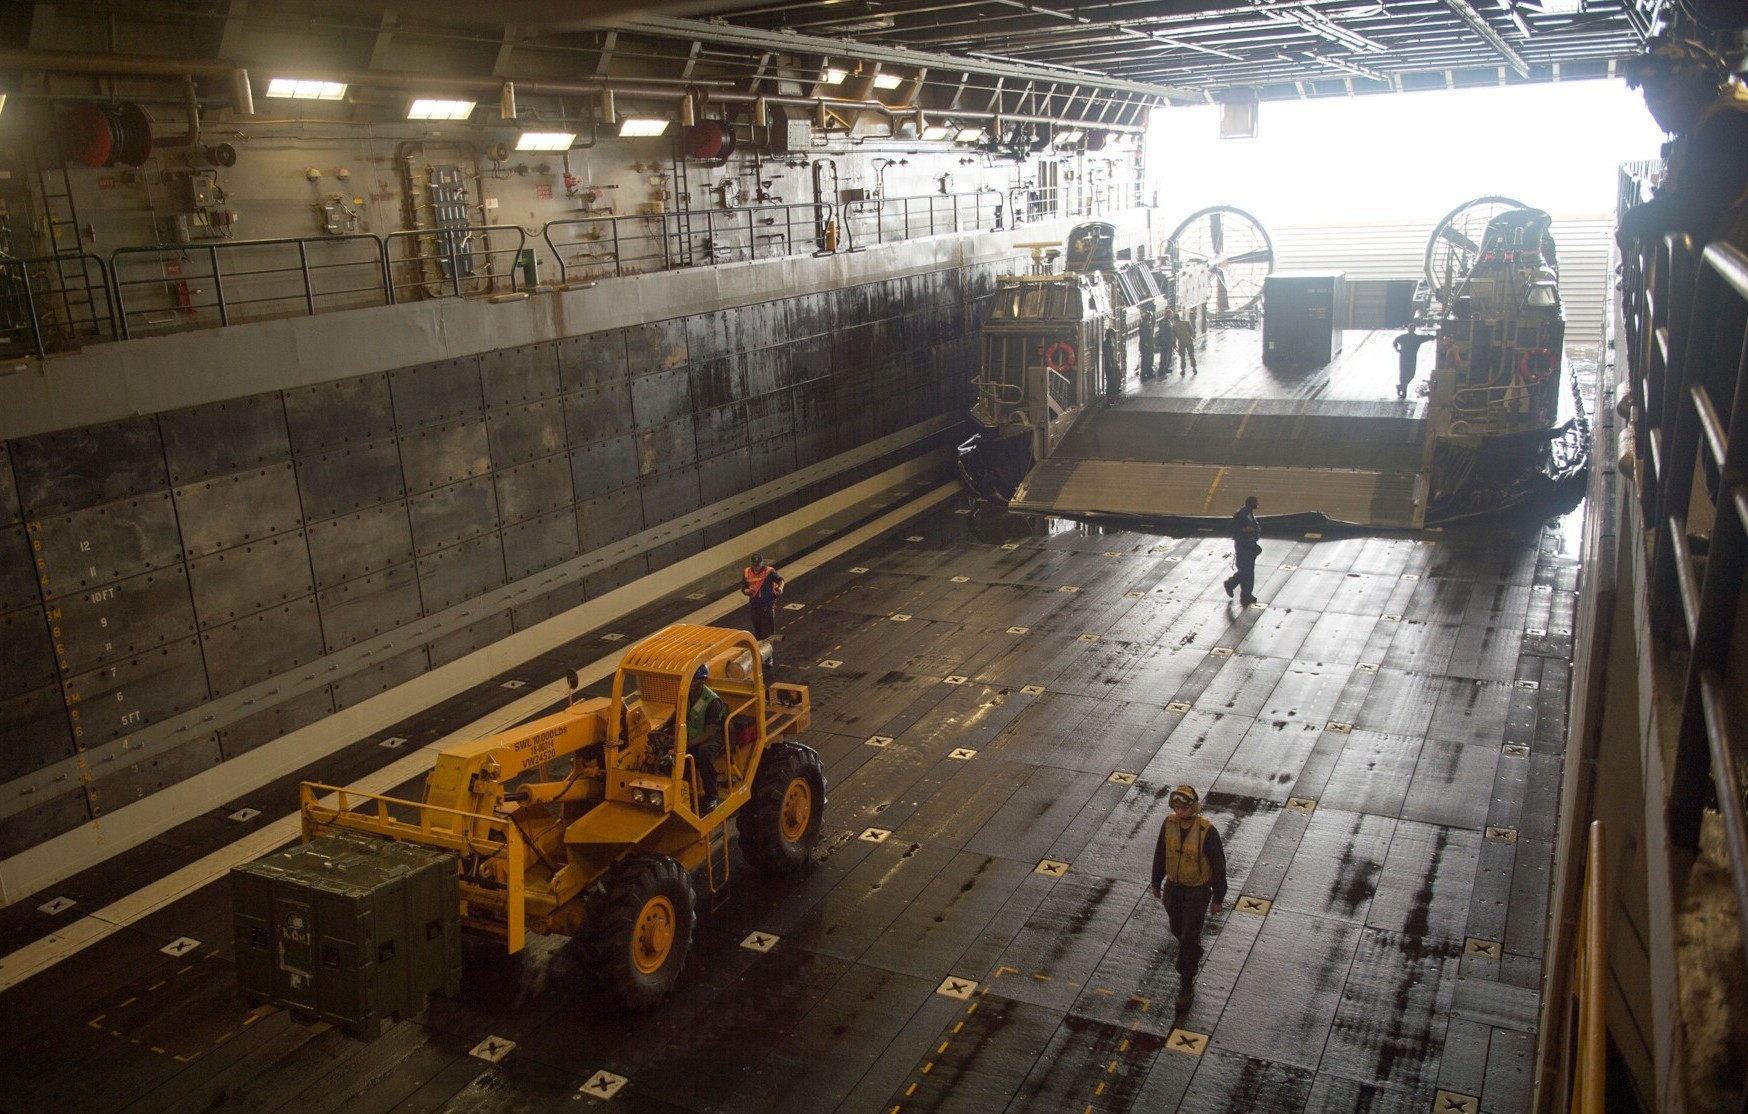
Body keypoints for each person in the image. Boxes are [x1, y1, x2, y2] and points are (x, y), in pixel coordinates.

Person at [1617, 36, 1748, 254]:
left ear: (1696, 80)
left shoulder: (1727, 124)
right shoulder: (1712, 118)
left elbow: (1694, 207)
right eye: (1648, 96)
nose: (1653, 106)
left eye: (1661, 92)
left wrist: (1632, 222)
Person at [1149, 784, 1227, 1007]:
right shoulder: (1169, 824)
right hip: (1174, 889)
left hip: (1197, 891)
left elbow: (1219, 866)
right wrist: (1156, 881)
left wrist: (1218, 898)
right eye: (1176, 808)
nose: (1179, 812)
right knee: (1177, 929)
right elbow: (1160, 853)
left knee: (1188, 938)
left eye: (1183, 808)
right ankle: (1190, 949)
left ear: (1194, 807)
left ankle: (1186, 982)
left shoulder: (1207, 832)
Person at [685, 664, 728, 812]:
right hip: (696, 735)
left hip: (714, 737)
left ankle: (712, 796)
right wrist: (663, 727)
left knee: (703, 752)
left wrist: (689, 744)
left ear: (704, 680)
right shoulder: (687, 694)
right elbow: (678, 713)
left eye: (695, 680)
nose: (692, 683)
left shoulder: (711, 702)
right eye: (690, 679)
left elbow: (710, 732)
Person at [1222, 495, 1261, 606]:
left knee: (1249, 572)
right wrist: (1244, 530)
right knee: (1246, 571)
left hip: (1250, 546)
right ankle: (1230, 584)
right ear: (1251, 503)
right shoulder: (1241, 515)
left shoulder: (1249, 513)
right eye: (1255, 502)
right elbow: (1230, 528)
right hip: (1243, 547)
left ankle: (1246, 594)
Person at [741, 553, 784, 639]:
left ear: (762, 563)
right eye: (755, 565)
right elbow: (743, 588)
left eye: (758, 564)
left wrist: (780, 588)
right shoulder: (747, 572)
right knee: (758, 631)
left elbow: (780, 580)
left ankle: (770, 648)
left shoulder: (769, 571)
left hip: (767, 605)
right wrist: (748, 591)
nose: (756, 567)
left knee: (768, 632)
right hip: (755, 606)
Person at [1393, 326, 1432, 400]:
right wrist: (1397, 349)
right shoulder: (1403, 337)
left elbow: (1426, 338)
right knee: (1403, 375)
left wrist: (1433, 337)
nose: (1411, 330)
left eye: (1412, 329)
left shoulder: (1417, 338)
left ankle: (1401, 387)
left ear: (1414, 329)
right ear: (1408, 329)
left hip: (1411, 358)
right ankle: (1404, 392)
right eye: (1410, 329)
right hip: (1404, 358)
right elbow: (1395, 342)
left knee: (1411, 374)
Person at [1165, 306, 1198, 376]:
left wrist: (1174, 344)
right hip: (1189, 341)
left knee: (1182, 357)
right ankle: (1194, 368)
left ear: (1174, 319)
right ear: (1179, 318)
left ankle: (1183, 370)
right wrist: (1189, 336)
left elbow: (1173, 337)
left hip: (1181, 342)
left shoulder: (1173, 326)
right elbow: (1191, 331)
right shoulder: (1186, 322)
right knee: (1191, 355)